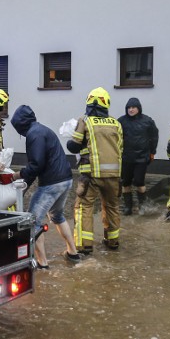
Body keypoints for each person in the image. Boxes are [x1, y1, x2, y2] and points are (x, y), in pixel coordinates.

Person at [10, 105, 81, 268]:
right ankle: (72, 252)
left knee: (32, 222)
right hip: (66, 180)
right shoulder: (42, 130)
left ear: (20, 124)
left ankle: (42, 263)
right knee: (57, 216)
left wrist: (18, 175)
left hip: (52, 184)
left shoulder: (33, 134)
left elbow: (36, 165)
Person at [67, 87, 123, 253]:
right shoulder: (116, 123)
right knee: (112, 207)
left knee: (84, 207)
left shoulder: (85, 121)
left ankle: (85, 246)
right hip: (114, 175)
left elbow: (74, 145)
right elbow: (121, 149)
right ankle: (113, 241)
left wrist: (71, 139)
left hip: (91, 175)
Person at [117, 97, 158, 215]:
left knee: (139, 181)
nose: (131, 110)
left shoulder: (147, 121)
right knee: (126, 182)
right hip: (126, 158)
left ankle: (142, 205)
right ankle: (128, 206)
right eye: (129, 108)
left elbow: (154, 137)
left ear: (138, 108)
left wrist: (152, 152)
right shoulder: (121, 121)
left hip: (142, 157)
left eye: (133, 107)